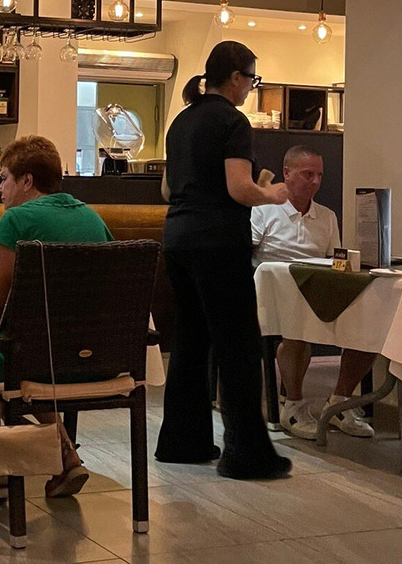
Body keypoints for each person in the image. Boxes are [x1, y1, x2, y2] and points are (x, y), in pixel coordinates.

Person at [155, 40, 292, 480]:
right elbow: (238, 188)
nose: (251, 87)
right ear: (235, 77)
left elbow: (166, 190)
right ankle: (246, 454)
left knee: (190, 341)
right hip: (217, 242)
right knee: (238, 345)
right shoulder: (233, 121)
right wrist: (271, 193)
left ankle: (183, 441)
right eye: (251, 78)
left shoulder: (181, 121)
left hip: (177, 240)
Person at [0, 136, 113, 499]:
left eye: (4, 179)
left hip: (33, 360)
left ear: (27, 181)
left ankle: (1, 472)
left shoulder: (16, 220)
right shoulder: (93, 219)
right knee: (31, 358)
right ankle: (66, 456)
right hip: (96, 360)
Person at [251, 145, 374, 440]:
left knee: (370, 325)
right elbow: (244, 253)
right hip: (271, 295)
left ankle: (340, 402)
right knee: (298, 328)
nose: (315, 181)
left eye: (319, 175)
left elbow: (335, 260)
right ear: (287, 173)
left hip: (316, 290)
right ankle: (293, 405)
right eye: (308, 174)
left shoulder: (327, 216)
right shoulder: (263, 210)